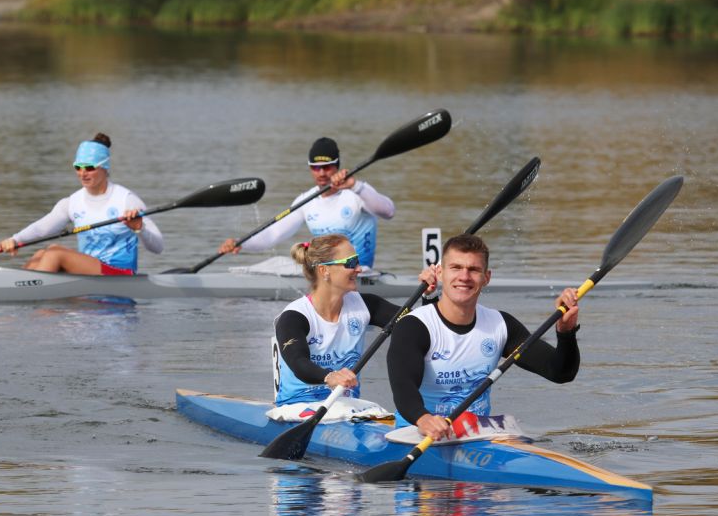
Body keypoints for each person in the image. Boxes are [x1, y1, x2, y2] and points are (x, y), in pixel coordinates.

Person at [387, 233, 581, 439]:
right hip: (417, 434)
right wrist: (424, 419)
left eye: (473, 269)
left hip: (476, 436)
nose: (464, 276)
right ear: (441, 273)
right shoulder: (414, 326)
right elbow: (403, 388)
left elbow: (560, 373)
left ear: (486, 277)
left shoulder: (500, 325)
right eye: (456, 268)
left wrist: (566, 331)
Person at [273, 233, 437, 407]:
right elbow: (298, 362)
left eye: (357, 261)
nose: (359, 269)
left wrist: (429, 294)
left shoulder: (365, 305)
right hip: (297, 405)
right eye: (351, 263)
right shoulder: (294, 317)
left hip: (346, 405)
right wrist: (329, 376)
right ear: (324, 270)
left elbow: (421, 330)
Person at [0, 133, 164, 275]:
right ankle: (19, 296)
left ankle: (27, 300)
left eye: (89, 168)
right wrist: (15, 239)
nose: (82, 174)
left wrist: (139, 228)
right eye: (78, 167)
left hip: (119, 273)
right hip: (88, 272)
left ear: (104, 167)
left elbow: (158, 247)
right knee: (41, 254)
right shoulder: (72, 202)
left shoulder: (127, 200)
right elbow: (42, 228)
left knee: (54, 252)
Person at [219, 136, 395, 269]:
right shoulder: (306, 201)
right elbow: (273, 235)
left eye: (326, 167)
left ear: (337, 166)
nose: (321, 173)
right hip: (324, 275)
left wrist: (355, 186)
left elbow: (388, 212)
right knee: (277, 263)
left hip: (358, 273)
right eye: (315, 168)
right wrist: (241, 242)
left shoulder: (356, 193)